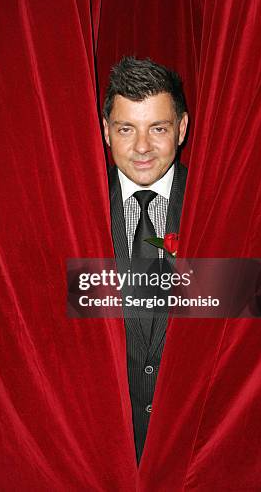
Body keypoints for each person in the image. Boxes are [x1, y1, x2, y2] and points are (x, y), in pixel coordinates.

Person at [102, 56, 189, 464]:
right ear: (106, 131)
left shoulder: (222, 206)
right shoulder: (73, 210)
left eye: (158, 128)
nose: (141, 147)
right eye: (125, 129)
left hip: (193, 444)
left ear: (182, 129)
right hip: (100, 446)